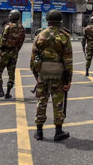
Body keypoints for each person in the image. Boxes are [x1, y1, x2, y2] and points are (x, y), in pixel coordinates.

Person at [31, 9, 73, 141]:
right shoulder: (64, 36)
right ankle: (58, 131)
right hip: (59, 75)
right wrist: (68, 80)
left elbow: (33, 59)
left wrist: (36, 75)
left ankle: (39, 132)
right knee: (58, 102)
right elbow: (68, 61)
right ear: (60, 21)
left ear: (48, 20)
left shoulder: (40, 35)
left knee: (41, 101)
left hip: (43, 73)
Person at [0, 10, 25, 100]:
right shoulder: (22, 28)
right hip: (14, 53)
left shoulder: (8, 27)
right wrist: (16, 50)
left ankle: (0, 91)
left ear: (11, 17)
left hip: (4, 52)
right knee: (11, 73)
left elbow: (2, 40)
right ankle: (8, 93)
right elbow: (21, 42)